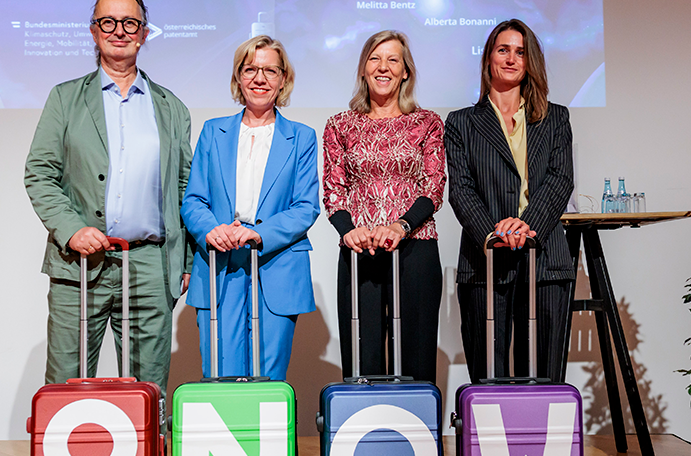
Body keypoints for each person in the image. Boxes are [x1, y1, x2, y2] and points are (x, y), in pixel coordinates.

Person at [22, 0, 191, 456]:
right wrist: (71, 228)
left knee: (151, 393)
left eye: (131, 23)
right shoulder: (65, 98)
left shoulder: (170, 106)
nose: (120, 32)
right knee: (66, 387)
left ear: (145, 32)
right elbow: (40, 173)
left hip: (147, 262)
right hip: (80, 266)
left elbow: (184, 188)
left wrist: (184, 257)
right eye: (109, 23)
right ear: (93, 31)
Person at [444, 19, 575, 384]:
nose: (511, 59)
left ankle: (540, 443)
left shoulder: (556, 118)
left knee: (545, 377)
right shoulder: (461, 123)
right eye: (503, 50)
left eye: (520, 52)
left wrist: (525, 226)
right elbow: (461, 189)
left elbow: (560, 180)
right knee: (489, 380)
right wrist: (494, 231)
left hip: (545, 259)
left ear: (530, 61)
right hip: (484, 259)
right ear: (488, 58)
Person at [182, 36, 319, 380]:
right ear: (238, 77)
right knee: (219, 373)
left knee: (268, 379)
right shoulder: (213, 132)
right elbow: (194, 200)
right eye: (251, 69)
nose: (260, 78)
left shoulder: (302, 137)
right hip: (219, 264)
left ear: (283, 79)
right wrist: (211, 230)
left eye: (270, 70)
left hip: (277, 267)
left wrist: (258, 234)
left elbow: (305, 207)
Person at [323, 30, 446, 384]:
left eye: (393, 60)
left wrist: (401, 226)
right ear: (363, 69)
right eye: (375, 59)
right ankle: (365, 438)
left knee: (417, 359)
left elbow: (433, 187)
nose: (383, 67)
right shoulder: (340, 125)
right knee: (365, 362)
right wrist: (350, 232)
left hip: (416, 246)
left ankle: (419, 439)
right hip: (360, 250)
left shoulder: (427, 123)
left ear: (406, 71)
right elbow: (334, 190)